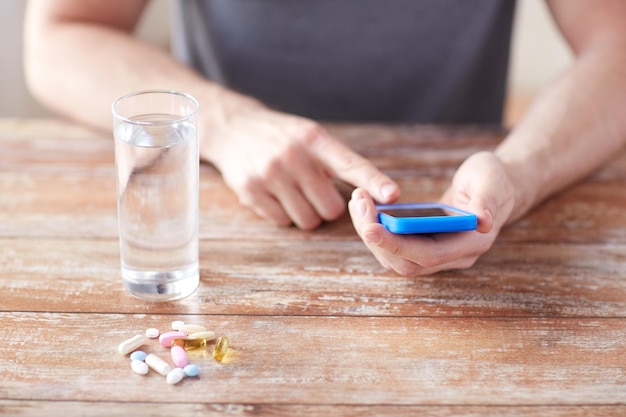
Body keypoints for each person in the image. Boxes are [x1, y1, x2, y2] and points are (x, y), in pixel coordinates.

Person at [23, 1, 626, 276]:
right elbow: (59, 35)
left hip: (474, 220)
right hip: (230, 219)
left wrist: (520, 174)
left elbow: (617, 44)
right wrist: (229, 125)